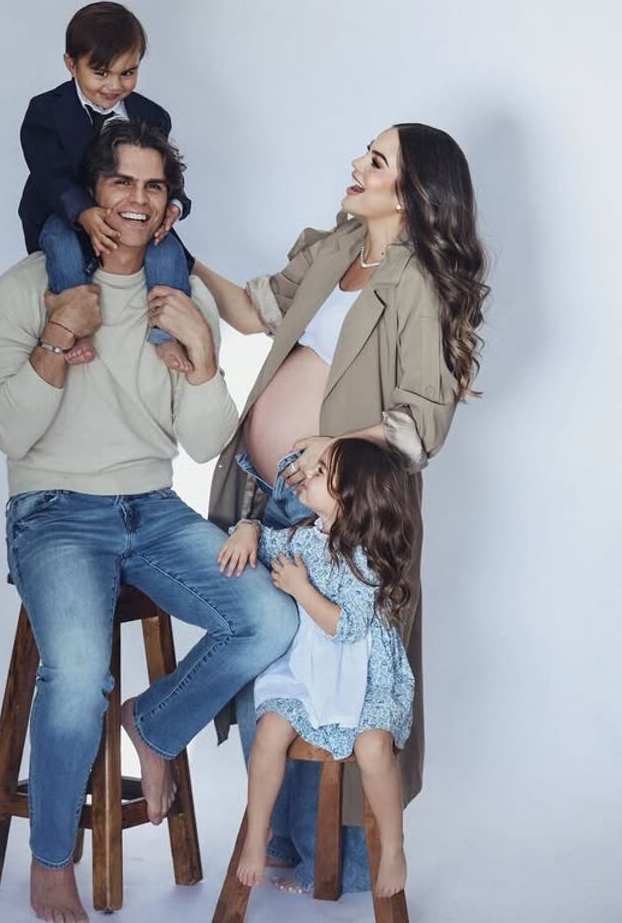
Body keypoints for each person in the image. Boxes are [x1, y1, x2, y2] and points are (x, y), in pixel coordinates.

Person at [0, 119, 297, 923]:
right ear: (92, 193)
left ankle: (154, 726)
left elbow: (205, 440)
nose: (137, 199)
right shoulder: (25, 288)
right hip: (53, 509)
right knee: (77, 673)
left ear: (169, 209)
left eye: (154, 186)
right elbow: (11, 430)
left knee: (269, 616)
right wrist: (60, 333)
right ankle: (53, 859)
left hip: (152, 507)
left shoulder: (180, 298)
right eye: (121, 181)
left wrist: (206, 357)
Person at [197, 123, 489, 893]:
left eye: (377, 160)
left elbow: (422, 423)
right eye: (366, 153)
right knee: (271, 658)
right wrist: (180, 257)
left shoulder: (416, 282)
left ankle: (342, 854)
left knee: (346, 668)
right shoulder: (338, 248)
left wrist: (334, 442)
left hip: (348, 511)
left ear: (411, 193)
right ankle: (280, 840)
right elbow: (254, 309)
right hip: (265, 497)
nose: (357, 164)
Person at [219, 438, 416, 897]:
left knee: (373, 749)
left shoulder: (367, 555)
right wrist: (248, 528)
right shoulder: (305, 537)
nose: (307, 474)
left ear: (351, 494)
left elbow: (346, 626)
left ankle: (392, 846)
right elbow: (268, 543)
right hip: (312, 669)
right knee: (270, 731)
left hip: (365, 678)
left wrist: (300, 589)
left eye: (322, 471)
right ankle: (258, 832)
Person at [18, 0, 194, 371]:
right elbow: (49, 172)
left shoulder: (153, 116)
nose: (115, 86)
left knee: (168, 254)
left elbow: (167, 172)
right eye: (101, 73)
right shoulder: (46, 111)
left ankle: (165, 333)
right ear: (71, 64)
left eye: (128, 72)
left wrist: (174, 205)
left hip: (132, 213)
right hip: (64, 210)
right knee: (63, 247)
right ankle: (77, 324)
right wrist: (82, 211)